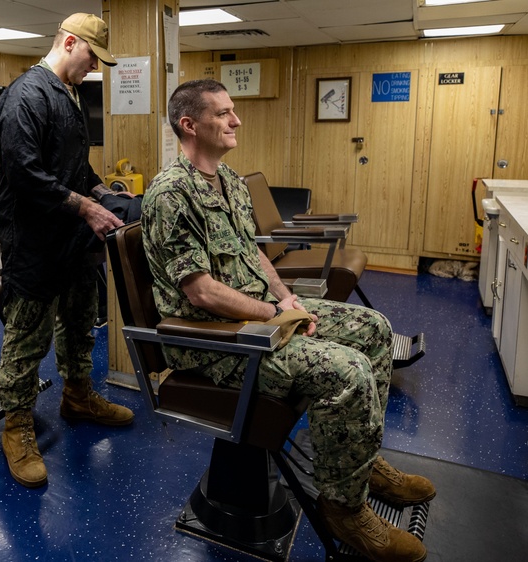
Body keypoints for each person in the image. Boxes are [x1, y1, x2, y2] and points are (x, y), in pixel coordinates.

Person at [141, 79, 435, 562]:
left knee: (374, 329)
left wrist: (287, 302)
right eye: (224, 113)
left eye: (234, 111)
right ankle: (344, 507)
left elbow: (252, 257)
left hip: (259, 316)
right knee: (349, 371)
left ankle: (358, 461)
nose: (237, 121)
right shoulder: (172, 194)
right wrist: (274, 315)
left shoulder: (230, 181)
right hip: (216, 340)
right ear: (190, 125)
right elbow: (201, 292)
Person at [0, 12, 134, 489]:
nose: (94, 68)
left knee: (79, 320)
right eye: (92, 56)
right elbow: (24, 173)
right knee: (27, 340)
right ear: (69, 42)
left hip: (71, 239)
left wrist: (101, 190)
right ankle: (17, 427)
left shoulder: (68, 95)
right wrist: (84, 207)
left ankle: (78, 394)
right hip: (33, 243)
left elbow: (73, 166)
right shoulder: (25, 96)